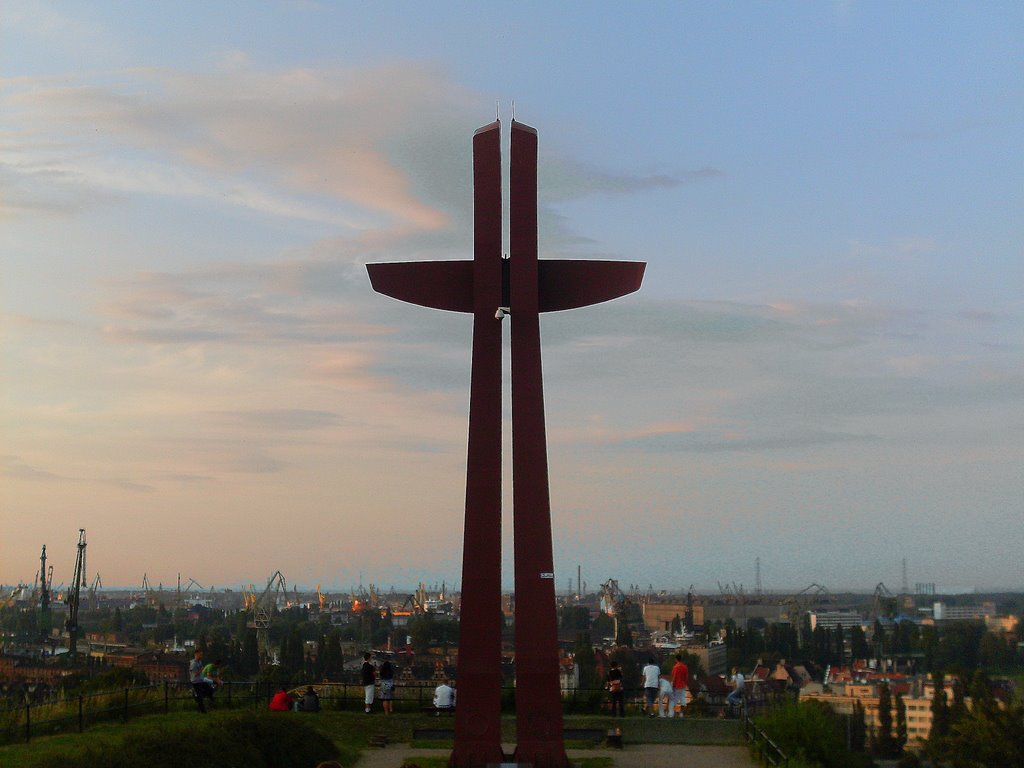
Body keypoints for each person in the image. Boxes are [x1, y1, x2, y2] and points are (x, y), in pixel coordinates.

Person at [670, 653, 690, 718]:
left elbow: (674, 677)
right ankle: (681, 713)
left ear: (676, 659)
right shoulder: (685, 667)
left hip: (676, 685)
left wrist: (672, 685)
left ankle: (674, 713)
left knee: (674, 700)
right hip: (683, 685)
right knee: (683, 700)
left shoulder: (675, 667)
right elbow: (686, 677)